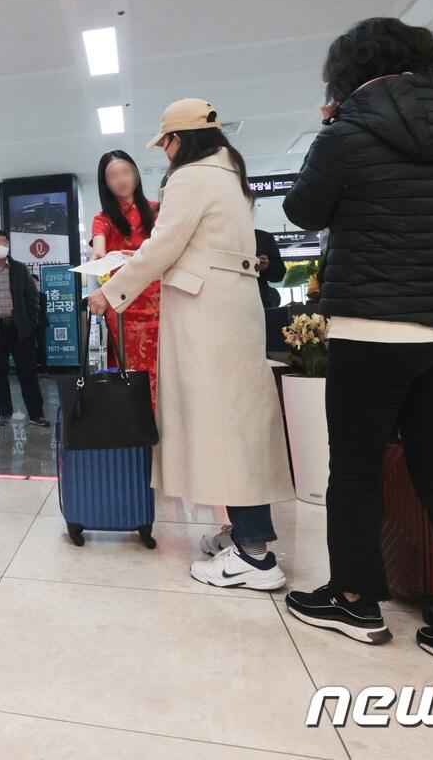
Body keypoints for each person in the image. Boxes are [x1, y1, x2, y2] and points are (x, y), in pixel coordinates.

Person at [282, 17, 433, 677]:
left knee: (357, 467)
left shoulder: (348, 133)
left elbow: (303, 212)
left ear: (348, 74)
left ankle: (355, 599)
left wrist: (328, 131)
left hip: (372, 327)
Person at [88, 99, 292, 590]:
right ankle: (246, 532)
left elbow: (163, 246)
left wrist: (110, 293)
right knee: (238, 421)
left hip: (207, 316)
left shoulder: (190, 177)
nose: (164, 154)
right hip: (235, 310)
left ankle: (255, 554)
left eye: (166, 144)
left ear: (179, 140)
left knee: (225, 425)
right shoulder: (231, 175)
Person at [90, 149, 160, 396]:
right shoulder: (103, 219)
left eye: (126, 172)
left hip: (160, 300)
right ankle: (140, 424)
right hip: (124, 304)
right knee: (133, 368)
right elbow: (98, 247)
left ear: (136, 174)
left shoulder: (156, 211)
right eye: (113, 175)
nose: (121, 179)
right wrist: (98, 256)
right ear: (105, 183)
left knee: (166, 365)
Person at [0, 231, 50, 427]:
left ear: (8, 245)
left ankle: (36, 414)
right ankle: (4, 413)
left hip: (20, 330)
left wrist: (30, 323)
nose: (1, 245)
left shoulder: (20, 270)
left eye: (4, 242)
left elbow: (32, 299)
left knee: (28, 373)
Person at [253, 229, 287, 308]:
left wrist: (267, 266)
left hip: (260, 299)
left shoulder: (263, 238)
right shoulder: (220, 236)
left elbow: (280, 273)